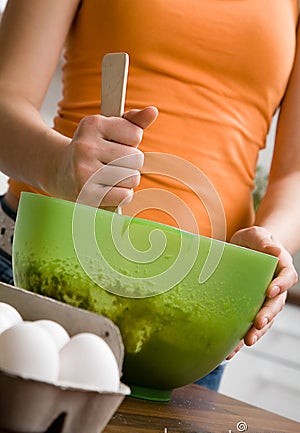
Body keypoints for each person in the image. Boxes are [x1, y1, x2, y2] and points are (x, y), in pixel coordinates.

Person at [0, 0, 299, 391]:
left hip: (198, 311)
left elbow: (293, 174)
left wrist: (270, 246)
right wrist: (60, 166)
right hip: (39, 270)